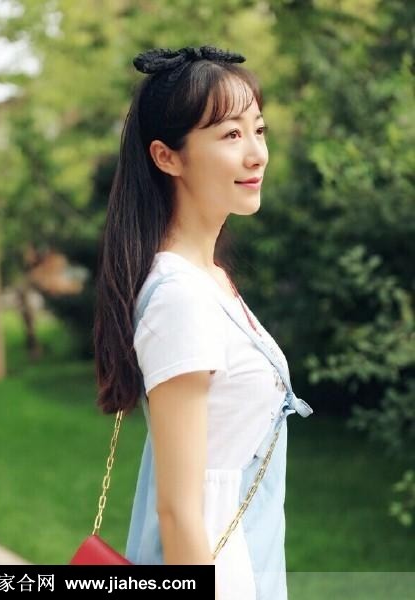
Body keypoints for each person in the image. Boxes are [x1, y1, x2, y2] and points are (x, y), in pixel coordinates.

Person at [93, 45, 314, 600]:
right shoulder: (181, 297)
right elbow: (178, 510)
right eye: (231, 135)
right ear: (167, 157)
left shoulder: (208, 279)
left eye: (258, 130)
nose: (257, 154)